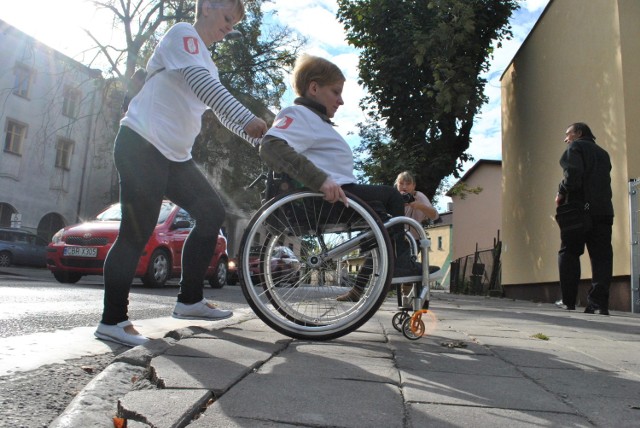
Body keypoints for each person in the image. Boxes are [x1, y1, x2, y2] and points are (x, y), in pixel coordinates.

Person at [95, 0, 268, 347]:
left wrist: (260, 140)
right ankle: (112, 320)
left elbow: (220, 112)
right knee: (137, 232)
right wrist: (250, 118)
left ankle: (189, 301)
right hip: (142, 145)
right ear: (207, 6)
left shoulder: (209, 63)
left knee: (210, 213)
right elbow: (202, 86)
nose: (229, 28)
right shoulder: (182, 35)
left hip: (175, 157)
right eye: (227, 18)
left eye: (234, 23)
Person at [259, 54, 421, 302]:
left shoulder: (317, 121)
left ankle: (390, 267)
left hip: (339, 195)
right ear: (314, 88)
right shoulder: (299, 114)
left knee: (387, 215)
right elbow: (271, 146)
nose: (341, 100)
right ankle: (397, 265)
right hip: (325, 200)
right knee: (389, 198)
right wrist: (320, 180)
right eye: (335, 92)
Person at [555, 122, 613, 314]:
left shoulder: (575, 147)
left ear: (579, 133)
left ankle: (569, 301)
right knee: (601, 257)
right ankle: (598, 305)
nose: (566, 139)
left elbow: (572, 175)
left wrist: (561, 192)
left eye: (568, 134)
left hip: (578, 209)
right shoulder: (603, 154)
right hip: (603, 210)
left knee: (569, 253)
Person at [394, 171, 439, 237]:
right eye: (401, 183)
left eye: (408, 184)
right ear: (397, 185)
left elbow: (435, 216)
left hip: (414, 239)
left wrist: (421, 206)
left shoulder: (419, 196)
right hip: (394, 239)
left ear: (413, 186)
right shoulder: (393, 197)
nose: (404, 187)